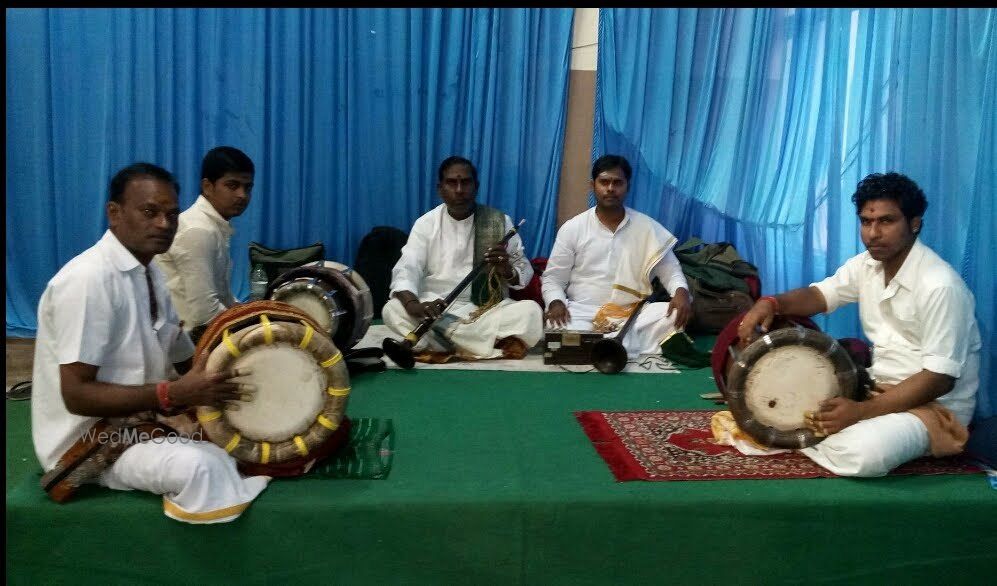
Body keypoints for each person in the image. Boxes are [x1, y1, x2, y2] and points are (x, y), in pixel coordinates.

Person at [31, 162, 268, 523]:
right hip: (93, 443)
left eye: (172, 214)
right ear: (114, 213)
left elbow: (182, 354)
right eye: (150, 212)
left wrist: (232, 379)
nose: (164, 224)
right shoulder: (87, 281)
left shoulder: (150, 270)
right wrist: (172, 396)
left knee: (239, 448)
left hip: (143, 421)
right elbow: (76, 395)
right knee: (201, 467)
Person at [737, 172, 981, 477]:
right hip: (874, 389)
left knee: (861, 454)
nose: (873, 233)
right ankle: (822, 433)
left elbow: (939, 379)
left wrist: (860, 412)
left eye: (886, 221)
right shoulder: (867, 265)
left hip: (932, 408)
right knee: (777, 402)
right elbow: (820, 295)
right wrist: (771, 303)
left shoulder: (940, 286)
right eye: (866, 222)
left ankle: (822, 436)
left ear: (914, 224)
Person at [383, 156, 543, 360]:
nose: (459, 190)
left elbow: (524, 273)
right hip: (435, 306)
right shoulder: (426, 224)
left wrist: (506, 269)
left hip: (486, 310)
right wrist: (416, 306)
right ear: (440, 188)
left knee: (531, 312)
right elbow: (407, 269)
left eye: (465, 182)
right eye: (452, 183)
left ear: (475, 186)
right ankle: (478, 344)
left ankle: (439, 342)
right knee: (392, 309)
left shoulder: (498, 221)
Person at [541, 155, 692, 355]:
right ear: (592, 185)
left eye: (617, 183)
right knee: (557, 325)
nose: (610, 188)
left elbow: (671, 271)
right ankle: (620, 347)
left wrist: (681, 292)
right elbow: (553, 278)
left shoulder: (646, 227)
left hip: (631, 314)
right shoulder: (573, 228)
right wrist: (556, 302)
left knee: (673, 315)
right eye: (604, 182)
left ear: (627, 187)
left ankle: (597, 347)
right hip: (583, 312)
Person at [155, 146, 254, 343]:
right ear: (208, 187)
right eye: (233, 186)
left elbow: (223, 296)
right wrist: (250, 331)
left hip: (200, 335)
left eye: (247, 187)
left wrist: (253, 314)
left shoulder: (212, 225)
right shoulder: (198, 230)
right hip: (185, 347)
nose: (242, 195)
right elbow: (205, 313)